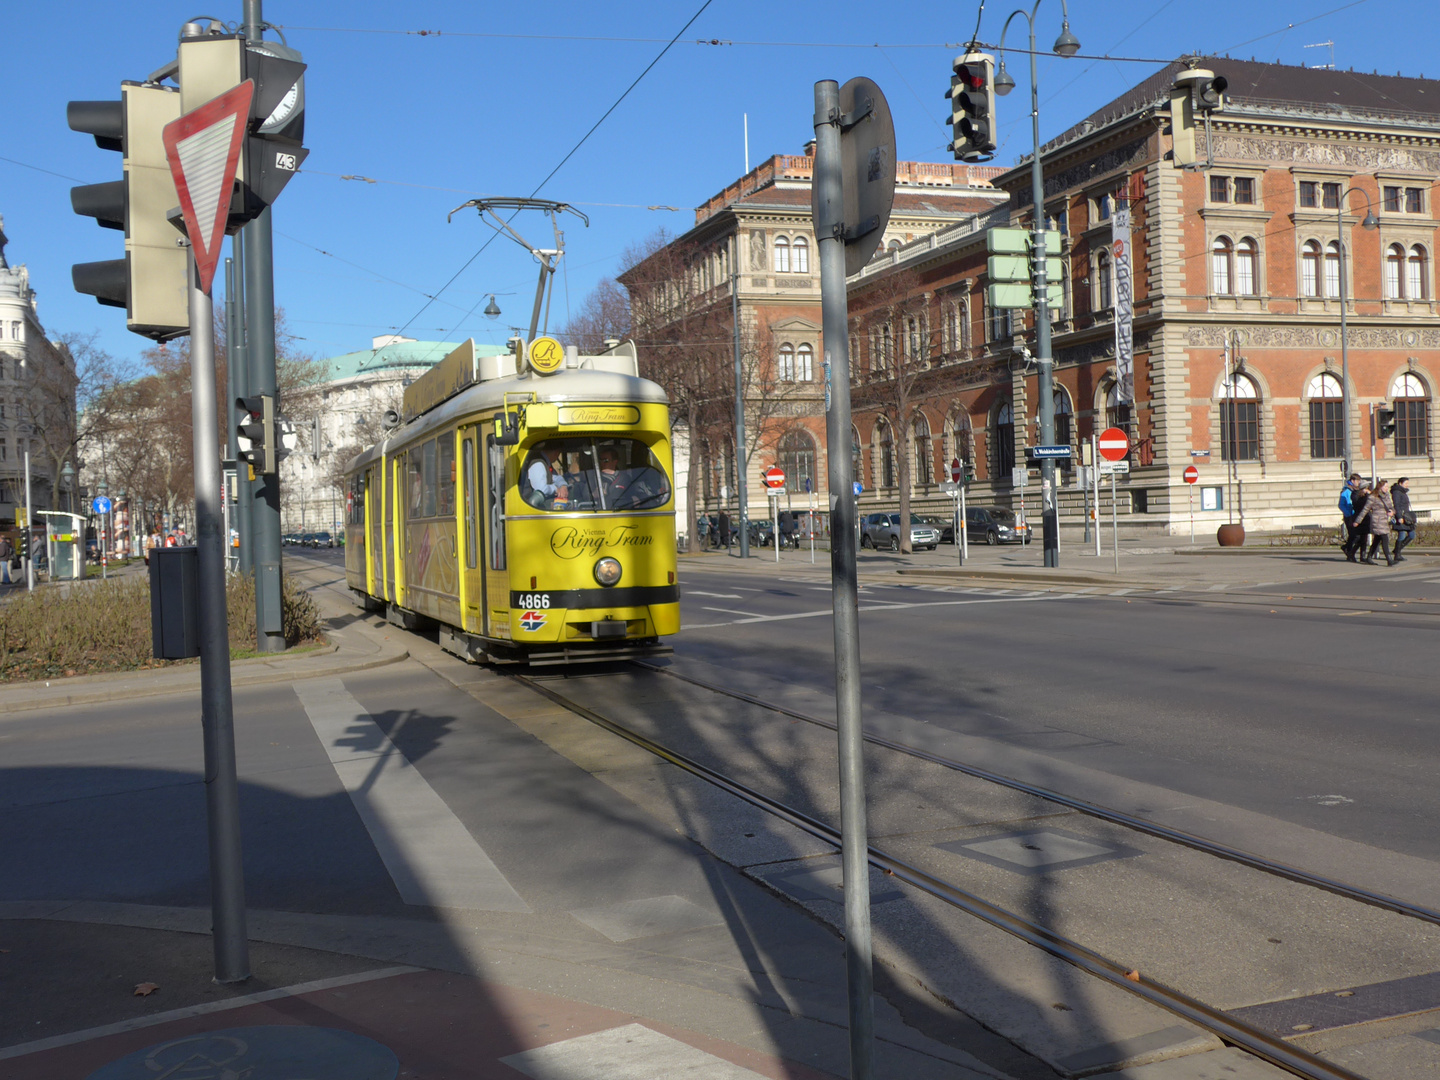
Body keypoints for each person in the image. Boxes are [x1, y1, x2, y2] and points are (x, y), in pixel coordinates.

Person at [1354, 479, 1394, 566]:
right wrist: (1358, 521)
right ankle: (1389, 560)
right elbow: (1365, 510)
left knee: (1377, 540)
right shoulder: (1373, 497)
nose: (1387, 488)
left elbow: (1391, 506)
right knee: (1384, 539)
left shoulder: (1386, 496)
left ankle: (1369, 557)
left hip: (1385, 520)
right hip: (1377, 520)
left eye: (1387, 486)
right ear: (1380, 487)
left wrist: (1392, 512)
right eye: (1385, 486)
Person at [1344, 479, 1370, 563]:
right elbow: (1359, 504)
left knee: (1364, 539)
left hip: (1366, 518)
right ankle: (1351, 553)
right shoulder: (1355, 495)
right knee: (1359, 538)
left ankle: (1363, 556)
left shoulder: (1366, 495)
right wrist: (1366, 496)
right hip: (1358, 518)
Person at [1339, 473, 1363, 561]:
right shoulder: (1346, 492)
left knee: (1356, 536)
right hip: (1349, 516)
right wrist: (1348, 513)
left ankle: (1347, 549)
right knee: (1354, 535)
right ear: (1352, 481)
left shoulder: (1356, 491)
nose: (1359, 483)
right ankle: (1349, 551)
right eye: (1357, 481)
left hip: (1355, 515)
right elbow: (1341, 505)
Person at [1391, 476, 1416, 562]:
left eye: (1408, 483)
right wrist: (1399, 517)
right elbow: (1396, 505)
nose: (1407, 485)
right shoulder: (1397, 492)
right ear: (1400, 483)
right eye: (1406, 483)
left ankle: (1397, 550)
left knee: (1412, 535)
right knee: (1401, 535)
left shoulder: (1403, 492)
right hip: (1401, 517)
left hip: (1407, 517)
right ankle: (1397, 554)